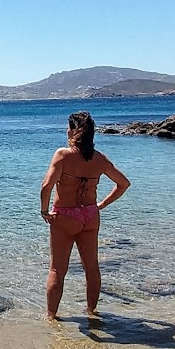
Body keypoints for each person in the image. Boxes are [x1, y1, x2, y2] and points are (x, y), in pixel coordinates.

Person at [39, 111, 130, 320]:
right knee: (92, 267)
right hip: (90, 214)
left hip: (65, 217)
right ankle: (91, 312)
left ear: (72, 130)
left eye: (67, 127)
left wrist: (45, 211)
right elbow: (123, 184)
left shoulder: (63, 154)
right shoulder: (99, 159)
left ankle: (51, 318)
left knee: (57, 270)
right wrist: (101, 205)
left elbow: (46, 187)